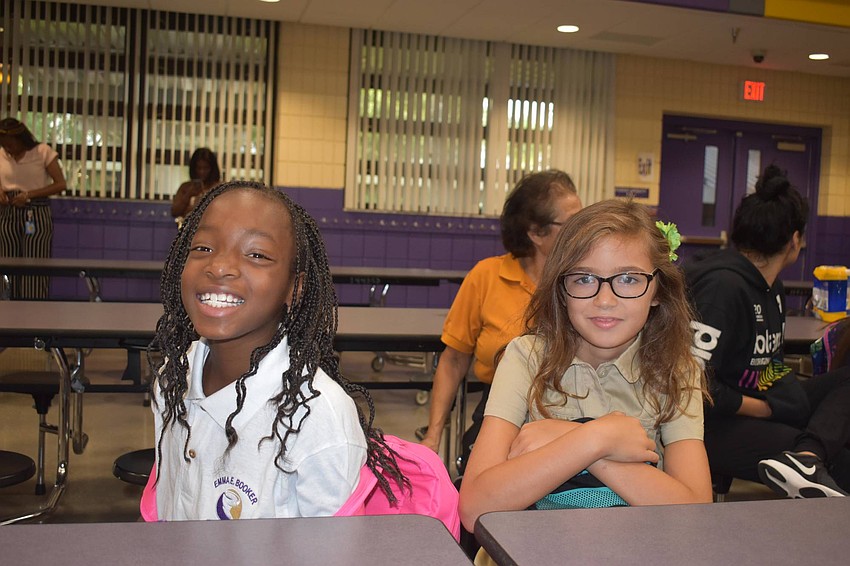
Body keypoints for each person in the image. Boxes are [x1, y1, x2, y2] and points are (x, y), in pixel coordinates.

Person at [149, 180, 405, 520]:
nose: (219, 266)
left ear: (294, 288)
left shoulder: (317, 418)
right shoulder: (172, 377)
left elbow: (335, 554)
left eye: (256, 254)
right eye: (203, 248)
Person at [459, 199, 712, 535]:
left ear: (658, 291)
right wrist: (599, 437)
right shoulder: (526, 357)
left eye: (628, 279)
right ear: (561, 290)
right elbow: (476, 507)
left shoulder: (677, 370)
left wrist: (575, 441)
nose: (604, 300)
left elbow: (695, 516)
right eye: (583, 279)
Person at [685, 164, 850, 498]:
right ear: (794, 240)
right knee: (842, 461)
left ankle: (807, 456)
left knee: (843, 386)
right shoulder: (722, 288)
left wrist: (785, 395)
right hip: (708, 425)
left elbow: (763, 363)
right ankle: (810, 457)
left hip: (751, 402)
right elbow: (691, 383)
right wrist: (764, 408)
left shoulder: (772, 287)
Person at [419, 170, 582, 473]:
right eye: (572, 221)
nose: (582, 228)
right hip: (500, 408)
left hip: (571, 413)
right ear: (536, 233)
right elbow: (454, 360)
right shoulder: (486, 276)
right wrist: (433, 436)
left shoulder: (587, 279)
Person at [0, 117, 67, 299]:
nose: (8, 149)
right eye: (4, 145)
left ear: (21, 139)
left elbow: (61, 184)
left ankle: (34, 308)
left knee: (34, 265)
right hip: (8, 212)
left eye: (11, 145)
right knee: (7, 263)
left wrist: (29, 195)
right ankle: (8, 307)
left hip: (35, 212)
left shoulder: (42, 152)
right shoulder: (1, 154)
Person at [170, 147, 221, 222]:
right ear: (194, 168)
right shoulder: (186, 187)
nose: (202, 172)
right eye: (199, 168)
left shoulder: (219, 188)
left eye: (206, 168)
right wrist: (188, 194)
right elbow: (175, 211)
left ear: (212, 169)